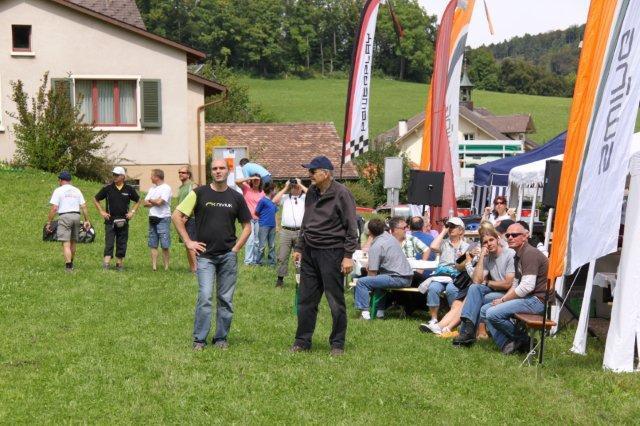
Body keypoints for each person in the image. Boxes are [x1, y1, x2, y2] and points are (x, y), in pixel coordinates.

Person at [172, 159, 252, 350]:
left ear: (228, 171)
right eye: (214, 168)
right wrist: (188, 242)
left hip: (227, 257)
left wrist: (235, 249)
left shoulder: (236, 197)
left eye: (221, 168)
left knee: (225, 299)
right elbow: (176, 216)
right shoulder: (199, 193)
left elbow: (247, 227)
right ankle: (199, 339)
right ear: (211, 172)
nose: (218, 171)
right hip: (205, 257)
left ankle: (221, 338)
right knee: (205, 297)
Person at [290, 156, 358, 357]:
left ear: (326, 173)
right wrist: (299, 247)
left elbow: (351, 227)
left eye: (313, 171)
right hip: (310, 252)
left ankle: (337, 343)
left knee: (335, 301)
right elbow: (306, 222)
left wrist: (348, 255)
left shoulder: (342, 193)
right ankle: (302, 341)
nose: (309, 175)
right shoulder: (311, 192)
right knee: (306, 300)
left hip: (332, 252)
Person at [484, 223, 550, 355]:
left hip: (537, 301)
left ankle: (525, 341)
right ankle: (507, 344)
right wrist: (503, 299)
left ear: (525, 236)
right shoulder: (518, 255)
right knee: (485, 309)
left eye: (514, 235)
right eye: (508, 235)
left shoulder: (530, 254)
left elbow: (526, 287)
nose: (510, 238)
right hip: (528, 298)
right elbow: (515, 283)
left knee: (492, 313)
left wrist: (503, 300)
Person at [452, 227, 516, 346]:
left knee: (481, 298)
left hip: (510, 293)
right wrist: (481, 256)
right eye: (485, 242)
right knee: (473, 288)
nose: (489, 244)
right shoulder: (487, 256)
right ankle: (468, 330)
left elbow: (508, 284)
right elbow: (476, 280)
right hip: (495, 291)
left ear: (498, 239)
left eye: (491, 240)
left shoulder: (510, 254)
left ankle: (467, 332)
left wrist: (487, 283)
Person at [354, 219, 413, 320]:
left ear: (369, 232)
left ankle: (365, 314)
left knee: (362, 282)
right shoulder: (390, 238)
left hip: (396, 278)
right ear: (383, 228)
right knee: (379, 281)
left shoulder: (376, 246)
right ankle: (379, 312)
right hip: (406, 277)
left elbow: (372, 273)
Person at [421, 217, 470, 329]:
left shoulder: (466, 246)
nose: (450, 228)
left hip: (457, 275)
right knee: (433, 288)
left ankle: (454, 317)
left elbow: (462, 265)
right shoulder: (444, 243)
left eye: (453, 226)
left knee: (451, 289)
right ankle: (433, 319)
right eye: (449, 226)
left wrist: (461, 258)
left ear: (461, 230)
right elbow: (433, 246)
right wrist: (444, 230)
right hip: (441, 275)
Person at [93, 166, 141, 271]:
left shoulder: (129, 189)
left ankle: (119, 264)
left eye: (117, 175)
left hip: (123, 221)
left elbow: (138, 200)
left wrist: (132, 212)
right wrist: (102, 211)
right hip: (110, 221)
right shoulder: (108, 188)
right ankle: (106, 264)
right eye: (113, 174)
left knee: (122, 242)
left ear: (123, 176)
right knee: (109, 242)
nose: (114, 176)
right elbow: (95, 199)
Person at [46, 171, 92, 272]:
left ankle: (68, 267)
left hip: (65, 216)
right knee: (73, 242)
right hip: (76, 216)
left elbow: (54, 208)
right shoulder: (77, 190)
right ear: (70, 180)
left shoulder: (58, 190)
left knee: (66, 243)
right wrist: (86, 220)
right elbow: (84, 206)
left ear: (60, 180)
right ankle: (71, 262)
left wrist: (49, 222)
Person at [272, 178, 308, 287]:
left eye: (296, 186)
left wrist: (300, 184)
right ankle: (280, 280)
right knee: (282, 256)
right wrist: (286, 187)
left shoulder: (305, 198)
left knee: (300, 257)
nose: (295, 187)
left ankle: (300, 281)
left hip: (300, 232)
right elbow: (274, 201)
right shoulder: (285, 197)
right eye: (293, 185)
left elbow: (314, 195)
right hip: (286, 231)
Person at [144, 169, 172, 271]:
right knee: (153, 244)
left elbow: (160, 202)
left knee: (165, 244)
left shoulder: (166, 188)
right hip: (152, 217)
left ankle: (166, 267)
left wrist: (151, 200)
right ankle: (154, 267)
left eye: (152, 176)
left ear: (157, 177)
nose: (150, 178)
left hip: (163, 218)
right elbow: (145, 203)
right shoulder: (152, 189)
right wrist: (154, 201)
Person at [235, 174, 264, 265]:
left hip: (259, 219)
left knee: (257, 241)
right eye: (254, 180)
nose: (256, 181)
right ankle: (248, 261)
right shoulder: (246, 188)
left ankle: (255, 261)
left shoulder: (262, 192)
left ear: (260, 181)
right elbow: (236, 181)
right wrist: (250, 178)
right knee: (250, 240)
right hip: (248, 218)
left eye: (258, 180)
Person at [177, 166, 197, 272]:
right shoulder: (181, 187)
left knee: (191, 243)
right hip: (181, 220)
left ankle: (196, 268)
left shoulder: (192, 185)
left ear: (188, 174)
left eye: (183, 172)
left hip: (191, 219)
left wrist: (186, 216)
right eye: (179, 172)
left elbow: (194, 202)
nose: (181, 174)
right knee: (187, 243)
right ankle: (192, 267)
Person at [255, 182, 278, 266]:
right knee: (262, 245)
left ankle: (272, 262)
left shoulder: (273, 202)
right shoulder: (262, 201)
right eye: (275, 189)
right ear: (271, 190)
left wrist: (277, 225)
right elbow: (256, 212)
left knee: (272, 245)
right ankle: (259, 262)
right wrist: (263, 219)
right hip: (264, 226)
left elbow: (275, 213)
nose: (276, 191)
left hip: (272, 226)